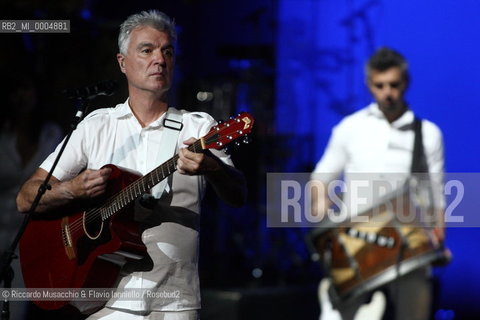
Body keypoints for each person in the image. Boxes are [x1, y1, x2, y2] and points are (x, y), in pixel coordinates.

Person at [16, 10, 247, 320]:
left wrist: (213, 168)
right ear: (123, 62)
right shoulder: (95, 126)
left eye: (167, 51)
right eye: (147, 50)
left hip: (174, 302)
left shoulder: (199, 127)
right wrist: (71, 190)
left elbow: (238, 196)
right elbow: (26, 197)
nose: (160, 60)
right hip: (103, 301)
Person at [311, 47, 446, 320]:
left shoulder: (428, 134)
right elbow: (321, 178)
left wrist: (438, 234)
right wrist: (322, 210)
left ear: (405, 83)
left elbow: (436, 194)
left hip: (407, 247)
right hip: (355, 247)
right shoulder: (349, 127)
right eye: (379, 85)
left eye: (394, 85)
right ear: (369, 84)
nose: (387, 92)